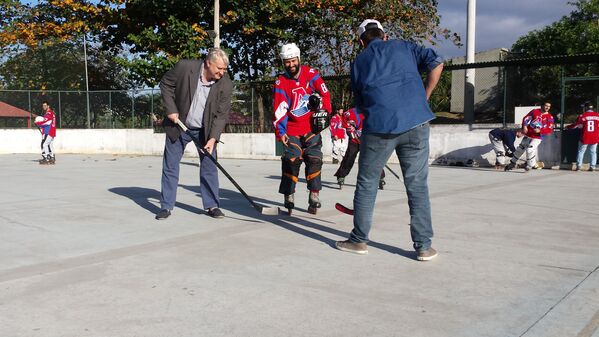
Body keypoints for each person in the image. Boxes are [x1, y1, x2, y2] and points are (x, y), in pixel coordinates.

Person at [334, 19, 443, 261]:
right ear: (384, 35)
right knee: (416, 185)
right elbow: (437, 63)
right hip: (417, 123)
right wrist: (424, 96)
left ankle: (359, 240)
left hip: (379, 128)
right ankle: (424, 246)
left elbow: (361, 105)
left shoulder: (359, 62)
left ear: (362, 41)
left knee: (367, 183)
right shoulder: (404, 46)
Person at [155, 48, 232, 220]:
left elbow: (221, 115)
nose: (222, 72)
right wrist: (171, 109)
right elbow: (165, 84)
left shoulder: (225, 83)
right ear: (208, 63)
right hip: (179, 125)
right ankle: (166, 206)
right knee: (171, 165)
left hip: (205, 130)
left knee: (209, 166)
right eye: (219, 68)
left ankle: (212, 205)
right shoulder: (185, 67)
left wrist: (212, 139)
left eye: (224, 69)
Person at [272, 43, 332, 214]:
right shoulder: (281, 82)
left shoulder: (311, 74)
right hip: (291, 129)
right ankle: (288, 194)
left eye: (293, 61)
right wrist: (280, 132)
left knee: (314, 159)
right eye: (287, 62)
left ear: (298, 58)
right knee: (292, 160)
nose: (290, 65)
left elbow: (325, 94)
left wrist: (325, 113)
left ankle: (314, 194)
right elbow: (279, 109)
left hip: (311, 128)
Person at [334, 107, 385, 190]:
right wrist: (352, 133)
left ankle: (380, 176)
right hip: (355, 140)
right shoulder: (350, 113)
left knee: (373, 158)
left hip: (368, 140)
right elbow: (345, 122)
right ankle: (341, 176)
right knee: (349, 157)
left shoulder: (374, 111)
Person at [505, 102, 554, 172]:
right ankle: (512, 163)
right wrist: (524, 126)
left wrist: (540, 130)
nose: (547, 107)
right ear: (542, 105)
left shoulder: (550, 117)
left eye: (549, 106)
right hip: (528, 135)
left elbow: (550, 129)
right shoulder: (535, 111)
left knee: (530, 149)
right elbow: (526, 118)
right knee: (520, 149)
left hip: (538, 137)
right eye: (546, 106)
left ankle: (529, 165)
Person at [566, 101, 599, 171]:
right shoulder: (597, 115)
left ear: (586, 108)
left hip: (585, 136)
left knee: (581, 151)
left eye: (584, 107)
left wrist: (568, 127)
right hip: (595, 136)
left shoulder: (582, 116)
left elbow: (576, 125)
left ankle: (579, 166)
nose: (583, 109)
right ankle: (593, 167)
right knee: (593, 152)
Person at [35, 101, 57, 165]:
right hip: (53, 131)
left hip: (49, 131)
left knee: (44, 144)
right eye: (43, 106)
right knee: (50, 144)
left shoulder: (48, 113)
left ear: (48, 106)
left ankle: (47, 159)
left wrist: (37, 123)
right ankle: (52, 158)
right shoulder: (52, 113)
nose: (44, 107)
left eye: (45, 105)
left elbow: (47, 122)